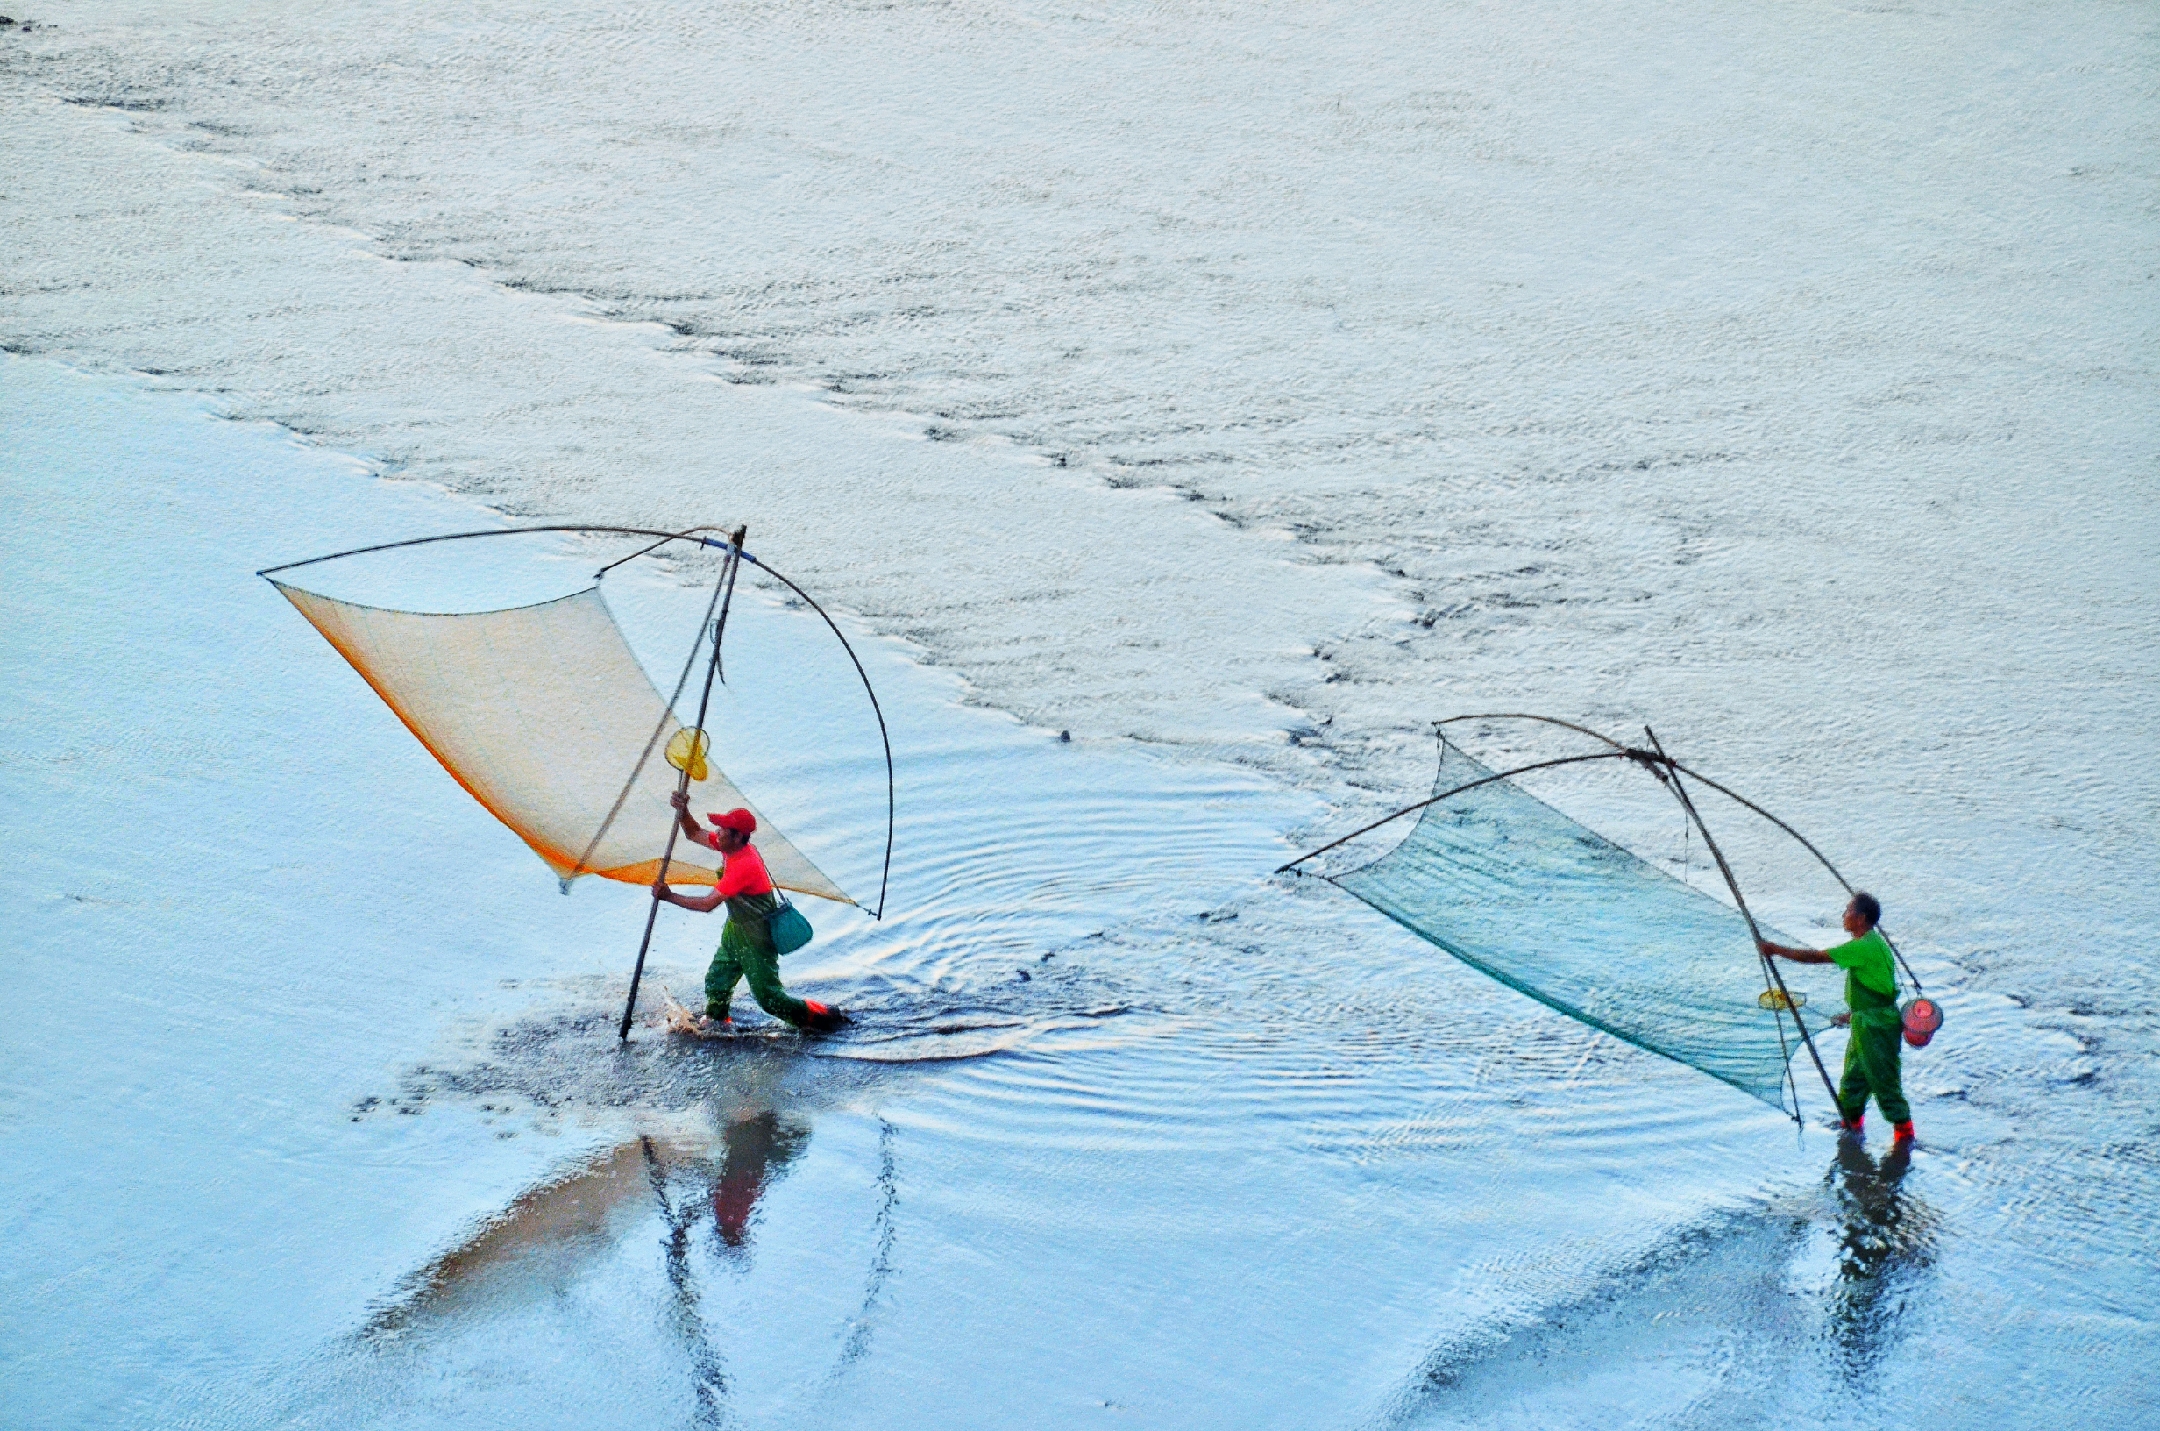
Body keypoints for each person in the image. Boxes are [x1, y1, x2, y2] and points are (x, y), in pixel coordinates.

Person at [654, 791, 846, 1033]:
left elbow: (707, 905)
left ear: (737, 837)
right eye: (720, 828)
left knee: (770, 999)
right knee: (717, 982)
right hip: (735, 931)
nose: (718, 832)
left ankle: (822, 1018)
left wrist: (669, 897)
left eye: (723, 829)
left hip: (757, 936)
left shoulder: (743, 865)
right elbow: (694, 833)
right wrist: (682, 812)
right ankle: (717, 1024)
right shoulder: (730, 847)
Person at [1759, 892, 1913, 1144]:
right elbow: (1879, 989)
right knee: (1854, 1080)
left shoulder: (1863, 946)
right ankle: (1850, 1129)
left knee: (1885, 1081)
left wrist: (1775, 949)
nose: (1844, 916)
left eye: (1848, 911)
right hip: (1866, 1023)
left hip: (1877, 1028)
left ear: (1861, 918)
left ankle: (1905, 1139)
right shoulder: (1873, 943)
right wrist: (1853, 1013)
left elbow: (1816, 957)